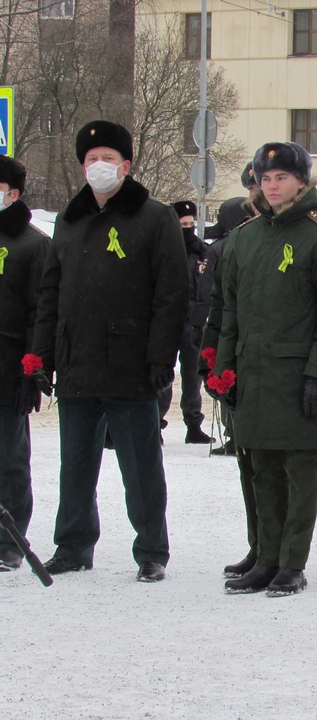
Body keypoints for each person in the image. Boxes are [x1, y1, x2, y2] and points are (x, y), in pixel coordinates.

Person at [32, 120, 188, 582]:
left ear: (127, 164)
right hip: (77, 361)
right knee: (75, 464)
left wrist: (162, 357)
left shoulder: (154, 217)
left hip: (131, 363)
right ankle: (74, 544)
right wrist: (41, 355)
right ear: (82, 166)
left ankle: (151, 551)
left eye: (108, 158)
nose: (99, 166)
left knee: (141, 466)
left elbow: (171, 294)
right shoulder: (69, 219)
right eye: (91, 159)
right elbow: (50, 293)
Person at [213, 142, 317, 596]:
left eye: (281, 178)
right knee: (259, 468)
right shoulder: (246, 237)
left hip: (296, 375)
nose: (271, 186)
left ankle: (292, 562)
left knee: (297, 470)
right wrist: (223, 369)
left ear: (302, 181)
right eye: (264, 178)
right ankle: (266, 556)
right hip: (253, 373)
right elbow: (230, 311)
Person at [198, 197, 256, 576]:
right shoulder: (228, 247)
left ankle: (266, 548)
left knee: (256, 461)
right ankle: (261, 547)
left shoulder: (230, 244)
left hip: (243, 350)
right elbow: (219, 301)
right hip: (233, 348)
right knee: (250, 461)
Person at [0, 155, 50, 571]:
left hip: (8, 365)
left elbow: (40, 311)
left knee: (9, 458)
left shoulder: (33, 244)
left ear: (12, 194)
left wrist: (31, 371)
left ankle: (9, 541)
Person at [157, 200, 214, 445]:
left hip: (193, 323)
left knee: (193, 377)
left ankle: (193, 425)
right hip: (167, 323)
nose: (188, 228)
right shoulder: (162, 250)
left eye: (191, 224)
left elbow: (206, 288)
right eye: (183, 224)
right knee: (163, 378)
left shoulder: (202, 251)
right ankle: (156, 424)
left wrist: (201, 319)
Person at [202, 197, 252, 459]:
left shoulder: (224, 246)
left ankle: (234, 435)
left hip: (228, 323)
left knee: (226, 378)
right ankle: (237, 435)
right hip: (240, 323)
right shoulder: (241, 242)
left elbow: (211, 293)